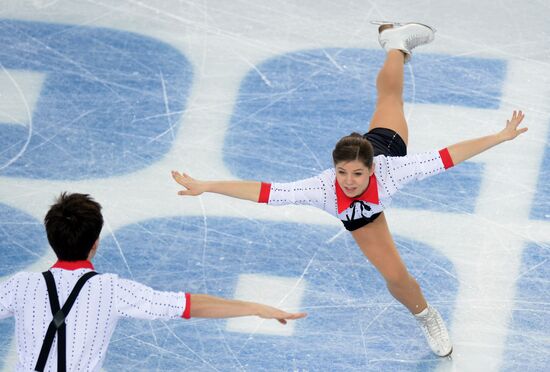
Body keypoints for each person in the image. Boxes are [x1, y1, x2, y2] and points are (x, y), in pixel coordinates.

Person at [171, 22, 527, 358]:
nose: (349, 180)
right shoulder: (323, 189)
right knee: (396, 276)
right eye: (342, 172)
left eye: (357, 173)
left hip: (384, 143)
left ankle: (395, 44)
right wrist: (208, 186)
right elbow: (265, 192)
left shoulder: (394, 169)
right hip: (363, 219)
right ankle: (425, 314)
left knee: (391, 97)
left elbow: (449, 156)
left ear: (371, 169)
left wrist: (499, 136)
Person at [0, 192, 307, 371]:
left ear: (51, 238)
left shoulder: (20, 285)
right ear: (95, 242)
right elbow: (189, 306)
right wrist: (254, 307)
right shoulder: (111, 290)